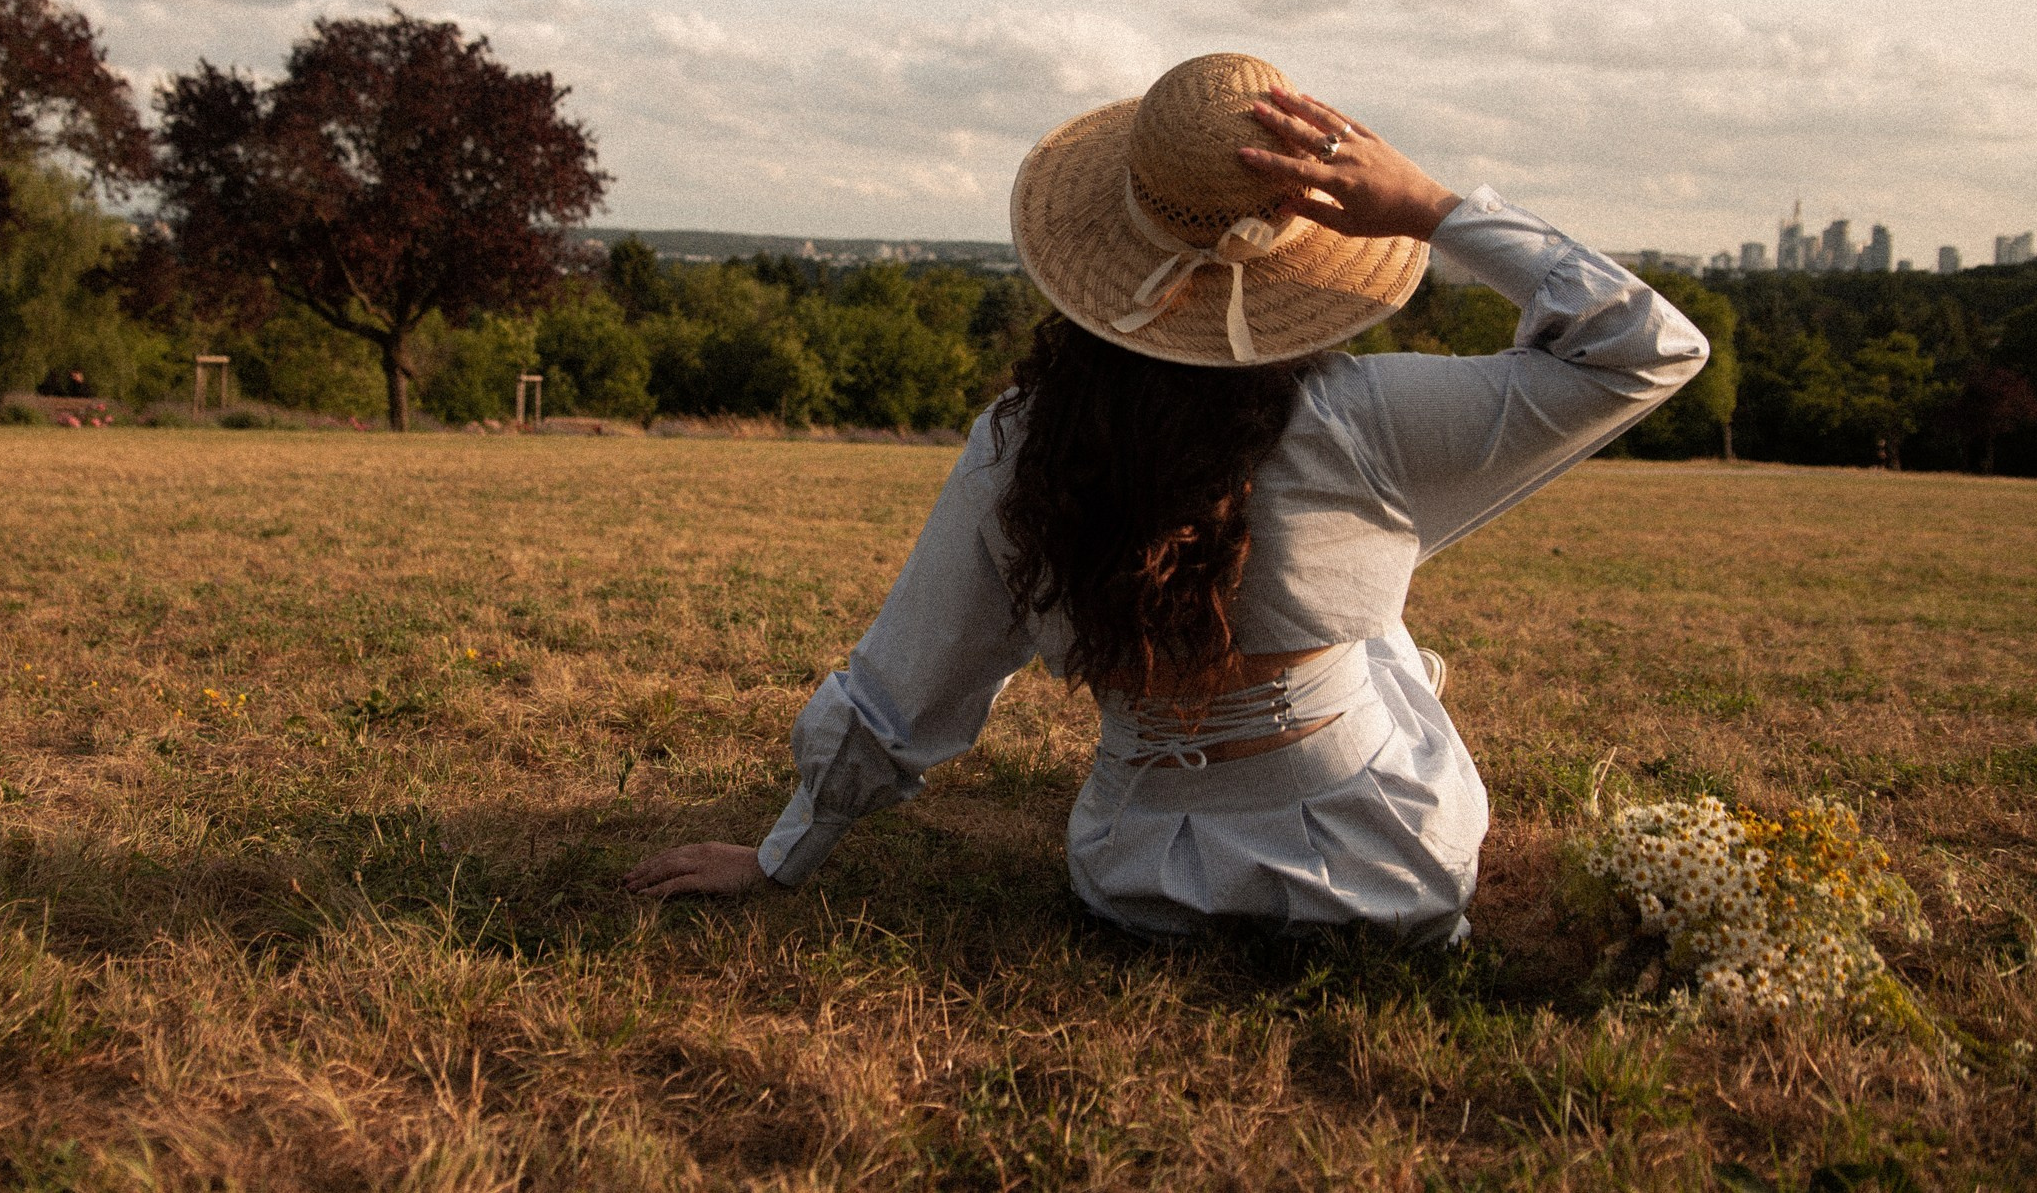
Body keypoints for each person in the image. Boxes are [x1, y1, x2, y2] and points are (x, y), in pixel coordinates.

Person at [625, 53, 1708, 943]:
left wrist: (780, 856)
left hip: (1142, 885)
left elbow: (904, 682)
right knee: (1377, 637)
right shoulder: (1361, 414)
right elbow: (1644, 347)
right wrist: (1432, 208)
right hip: (1389, 877)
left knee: (1370, 634)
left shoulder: (1020, 443)